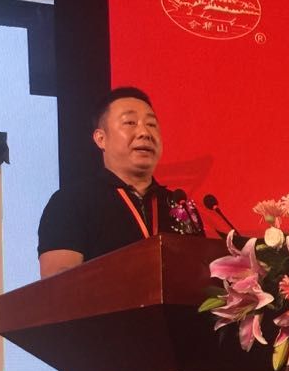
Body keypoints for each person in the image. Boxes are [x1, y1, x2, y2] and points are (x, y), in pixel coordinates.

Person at [37, 86, 205, 278]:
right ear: (101, 138)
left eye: (151, 124)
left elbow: (201, 276)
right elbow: (58, 283)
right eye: (130, 122)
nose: (144, 132)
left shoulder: (179, 206)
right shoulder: (71, 202)